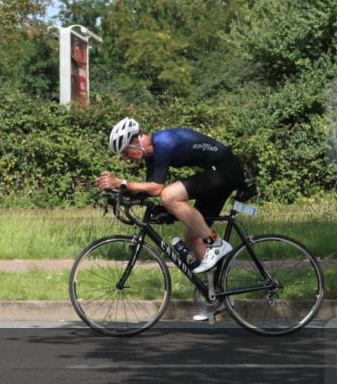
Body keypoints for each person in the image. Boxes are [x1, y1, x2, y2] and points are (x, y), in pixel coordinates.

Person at [95, 117, 246, 321]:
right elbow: (148, 190)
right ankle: (216, 297)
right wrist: (119, 192)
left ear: (135, 141)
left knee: (170, 195)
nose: (126, 159)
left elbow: (157, 189)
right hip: (215, 175)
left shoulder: (163, 143)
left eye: (125, 152)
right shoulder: (152, 155)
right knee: (193, 238)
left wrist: (121, 182)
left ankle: (216, 243)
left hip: (225, 170)